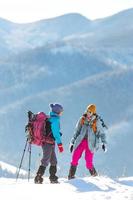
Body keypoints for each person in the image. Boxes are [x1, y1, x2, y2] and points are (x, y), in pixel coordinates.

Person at [68, 104, 107, 179]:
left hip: (91, 144)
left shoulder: (96, 122)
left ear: (93, 113)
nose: (88, 113)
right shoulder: (82, 119)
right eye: (87, 111)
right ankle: (71, 176)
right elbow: (77, 131)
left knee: (88, 162)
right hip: (80, 141)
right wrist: (72, 142)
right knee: (75, 158)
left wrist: (103, 143)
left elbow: (101, 133)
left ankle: (95, 177)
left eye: (90, 112)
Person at [34, 103, 64, 184]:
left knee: (53, 161)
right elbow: (56, 134)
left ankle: (53, 177)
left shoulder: (49, 118)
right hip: (48, 143)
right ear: (58, 112)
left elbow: (51, 131)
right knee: (45, 160)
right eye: (61, 111)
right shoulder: (55, 120)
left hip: (49, 142)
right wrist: (60, 145)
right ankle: (38, 177)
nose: (62, 113)